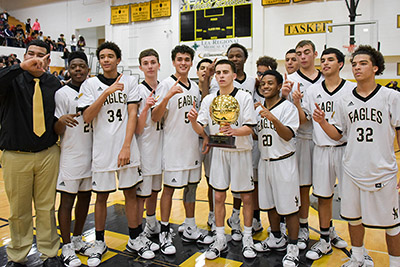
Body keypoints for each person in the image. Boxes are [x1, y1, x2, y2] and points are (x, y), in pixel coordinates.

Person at [314, 45, 400, 267]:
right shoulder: (345, 100)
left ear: (376, 68)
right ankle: (358, 258)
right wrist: (323, 122)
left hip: (382, 170)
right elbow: (338, 135)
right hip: (352, 168)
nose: (357, 67)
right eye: (354, 64)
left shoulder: (391, 96)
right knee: (353, 218)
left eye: (363, 63)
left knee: (392, 224)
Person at [78, 41, 159, 265]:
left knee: (130, 194)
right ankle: (100, 242)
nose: (105, 60)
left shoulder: (130, 81)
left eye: (110, 56)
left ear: (118, 60)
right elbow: (87, 117)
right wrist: (106, 93)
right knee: (101, 197)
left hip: (126, 146)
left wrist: (126, 146)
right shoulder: (90, 84)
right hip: (102, 149)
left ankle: (134, 238)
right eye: (102, 56)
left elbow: (132, 114)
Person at [0, 39, 62, 266]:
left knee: (46, 208)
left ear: (48, 59)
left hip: (47, 153)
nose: (35, 58)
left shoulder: (53, 83)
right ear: (24, 56)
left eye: (40, 55)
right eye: (30, 54)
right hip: (16, 154)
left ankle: (49, 252)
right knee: (18, 210)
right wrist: (20, 67)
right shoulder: (11, 79)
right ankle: (17, 254)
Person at [188, 59, 257, 260]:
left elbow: (250, 127)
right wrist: (193, 121)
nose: (221, 76)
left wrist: (234, 130)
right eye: (218, 72)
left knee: (245, 197)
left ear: (234, 75)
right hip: (219, 150)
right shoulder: (209, 99)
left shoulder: (244, 97)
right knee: (218, 196)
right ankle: (219, 238)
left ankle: (247, 237)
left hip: (241, 151)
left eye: (225, 72)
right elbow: (201, 129)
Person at [151, 45, 213, 255]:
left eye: (187, 59)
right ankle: (165, 231)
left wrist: (204, 136)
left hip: (192, 147)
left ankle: (189, 226)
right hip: (173, 148)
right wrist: (167, 96)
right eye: (180, 59)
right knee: (168, 190)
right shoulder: (166, 84)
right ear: (173, 61)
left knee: (192, 188)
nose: (183, 63)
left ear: (191, 62)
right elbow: (155, 117)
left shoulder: (194, 88)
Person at [292, 48, 352, 261]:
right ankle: (325, 239)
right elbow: (303, 120)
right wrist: (298, 104)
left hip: (345, 150)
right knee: (323, 196)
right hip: (321, 150)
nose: (325, 63)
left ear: (341, 64)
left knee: (352, 199)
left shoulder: (351, 90)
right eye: (323, 60)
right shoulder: (312, 90)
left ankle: (359, 250)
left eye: (330, 60)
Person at [253, 70, 300, 267]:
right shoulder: (258, 110)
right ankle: (276, 237)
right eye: (263, 84)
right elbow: (257, 135)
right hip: (265, 162)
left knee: (289, 208)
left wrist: (271, 117)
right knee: (270, 204)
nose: (265, 86)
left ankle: (293, 247)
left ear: (280, 86)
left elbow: (288, 135)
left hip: (284, 161)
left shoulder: (288, 108)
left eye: (270, 83)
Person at [282, 40, 324, 250]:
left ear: (315, 53)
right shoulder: (290, 80)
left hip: (327, 139)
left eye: (307, 52)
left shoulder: (326, 78)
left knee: (325, 189)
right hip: (302, 138)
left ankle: (327, 229)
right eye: (299, 53)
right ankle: (304, 226)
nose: (303, 57)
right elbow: (288, 113)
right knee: (303, 186)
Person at [55, 51, 93, 267]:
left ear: (88, 69)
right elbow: (56, 128)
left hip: (91, 154)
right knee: (67, 200)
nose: (78, 69)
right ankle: (67, 245)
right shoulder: (62, 93)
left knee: (85, 198)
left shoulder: (94, 91)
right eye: (74, 66)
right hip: (71, 154)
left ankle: (78, 239)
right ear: (68, 69)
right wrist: (61, 120)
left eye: (81, 66)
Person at [135, 48, 163, 236]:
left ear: (159, 65)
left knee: (154, 191)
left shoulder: (165, 87)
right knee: (141, 195)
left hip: (161, 147)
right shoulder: (137, 90)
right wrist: (146, 108)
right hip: (144, 148)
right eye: (146, 63)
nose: (150, 66)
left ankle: (151, 223)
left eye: (153, 62)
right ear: (140, 67)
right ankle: (137, 231)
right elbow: (137, 126)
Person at [195, 58, 216, 230]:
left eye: (208, 69)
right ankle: (189, 221)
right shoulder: (189, 89)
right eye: (202, 68)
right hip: (193, 141)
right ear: (197, 72)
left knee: (212, 180)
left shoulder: (214, 90)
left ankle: (212, 213)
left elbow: (206, 100)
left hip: (212, 142)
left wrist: (208, 80)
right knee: (191, 182)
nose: (204, 71)